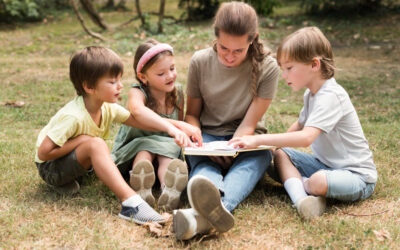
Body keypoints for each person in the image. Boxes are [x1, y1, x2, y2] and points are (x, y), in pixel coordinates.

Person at [229, 26, 377, 219]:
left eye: (289, 68)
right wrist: (272, 148)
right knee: (280, 157)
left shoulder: (331, 95)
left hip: (357, 177)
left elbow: (306, 137)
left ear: (314, 64)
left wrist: (257, 140)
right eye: (283, 69)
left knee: (318, 181)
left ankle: (302, 185)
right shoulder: (311, 93)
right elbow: (299, 126)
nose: (284, 76)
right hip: (326, 165)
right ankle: (302, 201)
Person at [34, 46, 193, 225]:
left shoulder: (107, 108)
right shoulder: (73, 116)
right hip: (50, 168)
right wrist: (83, 140)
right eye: (112, 82)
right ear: (89, 87)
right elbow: (43, 154)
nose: (120, 86)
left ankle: (65, 184)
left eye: (119, 80)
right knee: (96, 144)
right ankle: (131, 204)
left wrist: (180, 126)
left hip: (75, 166)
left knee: (96, 144)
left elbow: (141, 122)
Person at [172, 2, 280, 240]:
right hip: (208, 136)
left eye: (238, 51)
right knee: (201, 162)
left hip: (245, 138)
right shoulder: (200, 61)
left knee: (261, 156)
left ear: (252, 40)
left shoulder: (268, 67)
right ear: (216, 37)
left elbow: (250, 123)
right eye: (223, 48)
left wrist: (232, 148)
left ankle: (207, 211)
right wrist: (200, 143)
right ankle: (211, 206)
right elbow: (193, 115)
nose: (230, 57)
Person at [112, 39, 201, 211]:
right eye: (161, 74)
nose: (170, 76)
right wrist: (173, 127)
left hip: (165, 148)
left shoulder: (178, 93)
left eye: (172, 69)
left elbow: (181, 122)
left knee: (167, 153)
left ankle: (169, 190)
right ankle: (140, 184)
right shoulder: (137, 92)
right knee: (145, 151)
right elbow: (138, 112)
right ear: (143, 77)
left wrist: (187, 132)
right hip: (135, 146)